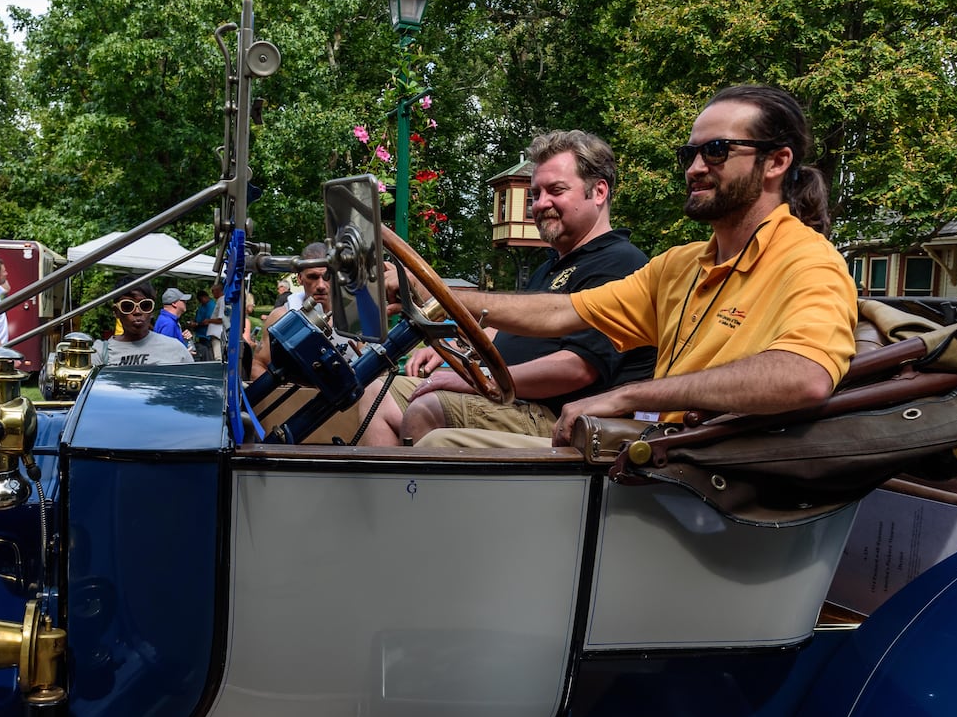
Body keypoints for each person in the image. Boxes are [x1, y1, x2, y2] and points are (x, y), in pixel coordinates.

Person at [405, 84, 858, 448]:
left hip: (704, 475)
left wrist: (629, 395)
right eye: (690, 154)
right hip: (652, 456)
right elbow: (563, 313)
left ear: (777, 161)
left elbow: (804, 376)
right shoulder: (681, 265)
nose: (695, 168)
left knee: (439, 443)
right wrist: (440, 295)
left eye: (717, 151)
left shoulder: (809, 261)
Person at [358, 130, 655, 445]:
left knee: (427, 408)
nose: (541, 204)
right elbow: (504, 335)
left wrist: (478, 379)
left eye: (556, 190)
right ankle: (388, 493)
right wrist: (454, 351)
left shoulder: (620, 264)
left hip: (561, 418)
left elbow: (578, 368)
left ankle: (415, 492)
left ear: (598, 192)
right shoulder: (549, 268)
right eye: (535, 194)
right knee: (376, 392)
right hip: (512, 400)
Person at [250, 244, 333, 381]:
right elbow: (258, 366)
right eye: (312, 277)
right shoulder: (280, 317)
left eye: (327, 277)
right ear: (300, 278)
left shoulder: (352, 319)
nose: (320, 285)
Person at [95, 281, 195, 366]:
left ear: (151, 311)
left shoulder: (176, 349)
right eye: (128, 306)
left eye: (145, 305)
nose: (137, 312)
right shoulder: (100, 352)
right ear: (116, 312)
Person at [202, 281, 226, 362]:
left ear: (218, 291)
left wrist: (208, 320)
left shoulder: (222, 300)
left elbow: (221, 319)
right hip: (215, 334)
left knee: (218, 356)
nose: (212, 294)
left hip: (217, 334)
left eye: (213, 291)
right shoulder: (220, 300)